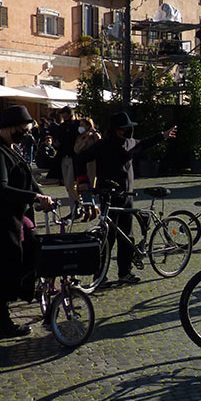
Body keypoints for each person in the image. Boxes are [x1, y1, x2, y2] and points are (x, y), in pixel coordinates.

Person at [0, 105, 53, 341]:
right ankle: (1, 322)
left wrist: (41, 194)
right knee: (1, 266)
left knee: (25, 255)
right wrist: (34, 197)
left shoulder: (10, 147)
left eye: (28, 131)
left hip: (12, 216)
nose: (26, 134)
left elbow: (26, 176)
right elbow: (0, 187)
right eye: (23, 130)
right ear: (10, 127)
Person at [75, 111, 176, 285]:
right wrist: (83, 181)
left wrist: (163, 136)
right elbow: (80, 159)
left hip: (127, 195)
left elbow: (144, 143)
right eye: (123, 129)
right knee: (108, 236)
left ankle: (125, 272)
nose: (126, 131)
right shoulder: (103, 145)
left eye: (128, 128)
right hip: (108, 194)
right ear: (114, 130)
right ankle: (99, 275)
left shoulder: (130, 142)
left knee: (127, 236)